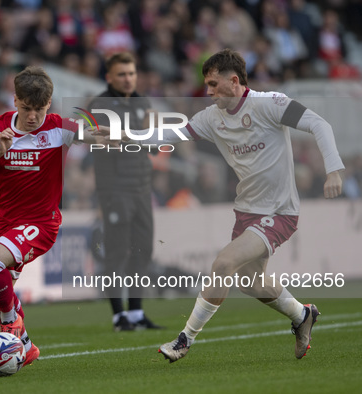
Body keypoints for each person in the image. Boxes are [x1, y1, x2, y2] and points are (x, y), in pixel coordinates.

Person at [100, 48, 344, 361]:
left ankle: (184, 340)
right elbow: (169, 134)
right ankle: (302, 315)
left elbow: (320, 124)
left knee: (223, 265)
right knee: (249, 282)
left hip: (279, 212)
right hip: (246, 211)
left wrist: (333, 170)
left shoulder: (269, 103)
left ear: (234, 81)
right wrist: (123, 136)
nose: (208, 91)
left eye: (213, 84)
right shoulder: (210, 118)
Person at [0, 66, 95, 367]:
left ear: (49, 104)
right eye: (25, 108)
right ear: (15, 101)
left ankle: (11, 327)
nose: (32, 116)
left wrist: (140, 137)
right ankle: (26, 346)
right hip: (6, 222)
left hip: (42, 223)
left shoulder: (61, 127)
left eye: (38, 109)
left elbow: (103, 135)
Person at [88, 52, 162, 332]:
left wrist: (149, 133)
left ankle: (136, 313)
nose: (128, 79)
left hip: (141, 188)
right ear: (109, 77)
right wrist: (142, 132)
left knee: (143, 251)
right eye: (121, 74)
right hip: (115, 188)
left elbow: (155, 146)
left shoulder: (143, 102)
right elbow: (106, 142)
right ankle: (118, 315)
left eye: (131, 73)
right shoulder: (100, 105)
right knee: (117, 252)